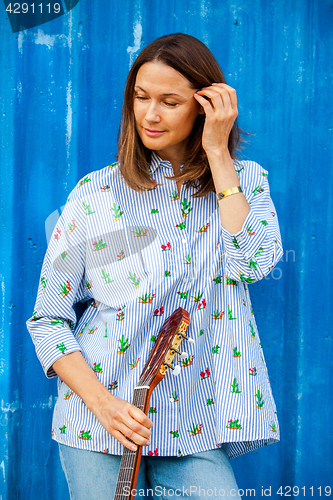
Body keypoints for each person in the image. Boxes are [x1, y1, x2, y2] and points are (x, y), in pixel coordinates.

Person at [27, 33, 283, 499]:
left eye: (170, 101)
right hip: (101, 421)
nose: (150, 114)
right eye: (141, 97)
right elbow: (48, 320)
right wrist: (104, 406)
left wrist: (219, 153)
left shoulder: (244, 181)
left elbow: (255, 261)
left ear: (204, 107)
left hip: (193, 421)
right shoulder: (97, 193)